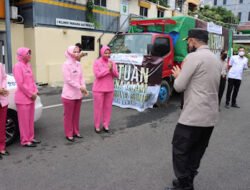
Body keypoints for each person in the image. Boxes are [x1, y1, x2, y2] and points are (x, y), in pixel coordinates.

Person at [165, 29, 221, 190]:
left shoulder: (193, 57)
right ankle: (187, 180)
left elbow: (179, 86)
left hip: (193, 115)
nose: (187, 45)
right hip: (210, 116)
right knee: (197, 150)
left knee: (180, 150)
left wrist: (178, 76)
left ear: (194, 41)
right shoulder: (216, 59)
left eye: (188, 41)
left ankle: (184, 184)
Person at [13, 47, 40, 147]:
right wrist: (30, 94)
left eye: (30, 53)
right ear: (22, 55)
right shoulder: (18, 66)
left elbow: (32, 80)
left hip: (31, 97)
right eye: (28, 54)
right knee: (24, 122)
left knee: (30, 120)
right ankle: (25, 140)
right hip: (23, 98)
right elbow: (20, 83)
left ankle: (31, 138)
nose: (30, 56)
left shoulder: (28, 65)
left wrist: (35, 91)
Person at [61, 45, 88, 142]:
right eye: (75, 51)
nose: (77, 53)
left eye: (78, 51)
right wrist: (80, 87)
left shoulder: (78, 64)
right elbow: (68, 80)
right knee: (68, 116)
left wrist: (83, 86)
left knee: (76, 115)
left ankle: (76, 131)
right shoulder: (66, 64)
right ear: (69, 53)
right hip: (68, 95)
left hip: (78, 94)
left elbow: (81, 77)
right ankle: (69, 133)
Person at [92, 45, 119, 133]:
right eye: (105, 53)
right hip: (98, 89)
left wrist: (112, 70)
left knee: (108, 108)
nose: (107, 55)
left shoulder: (112, 62)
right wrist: (108, 69)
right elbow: (98, 75)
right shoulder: (97, 62)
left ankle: (106, 124)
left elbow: (116, 75)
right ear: (101, 53)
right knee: (98, 108)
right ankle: (97, 125)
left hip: (109, 89)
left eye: (108, 53)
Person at [0, 62, 10, 158]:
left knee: (2, 126)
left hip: (2, 100)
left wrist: (2, 88)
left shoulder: (0, 65)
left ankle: (2, 147)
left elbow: (4, 78)